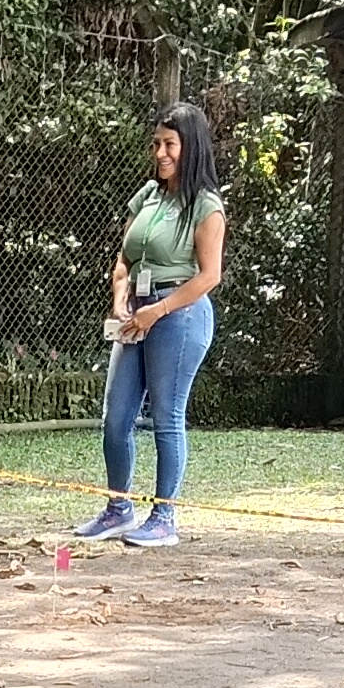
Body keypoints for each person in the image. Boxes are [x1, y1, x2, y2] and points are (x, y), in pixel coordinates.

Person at [78, 100, 224, 551]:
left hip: (178, 316)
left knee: (166, 417)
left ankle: (164, 518)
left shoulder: (206, 207)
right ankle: (118, 509)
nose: (160, 153)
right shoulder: (148, 196)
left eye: (170, 145)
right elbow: (125, 257)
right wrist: (121, 298)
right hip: (136, 311)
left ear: (191, 147)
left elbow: (209, 275)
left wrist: (156, 312)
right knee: (116, 417)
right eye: (157, 144)